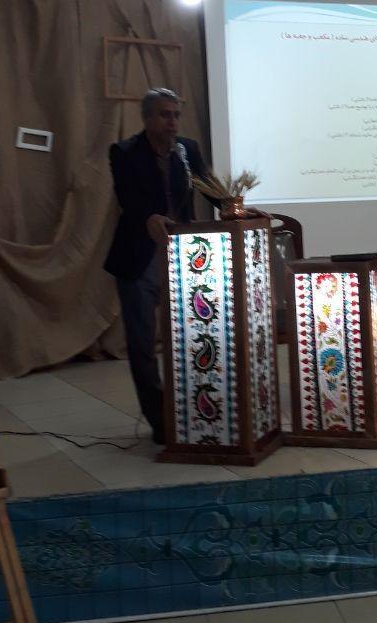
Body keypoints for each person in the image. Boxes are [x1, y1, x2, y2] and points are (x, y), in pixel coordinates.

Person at [104, 88, 214, 444]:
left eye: (176, 115)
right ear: (147, 117)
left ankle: (196, 411)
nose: (173, 122)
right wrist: (148, 217)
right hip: (140, 257)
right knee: (142, 343)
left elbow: (208, 185)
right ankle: (160, 421)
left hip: (184, 257)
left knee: (191, 336)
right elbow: (128, 198)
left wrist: (234, 204)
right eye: (165, 115)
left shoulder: (187, 150)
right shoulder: (124, 152)